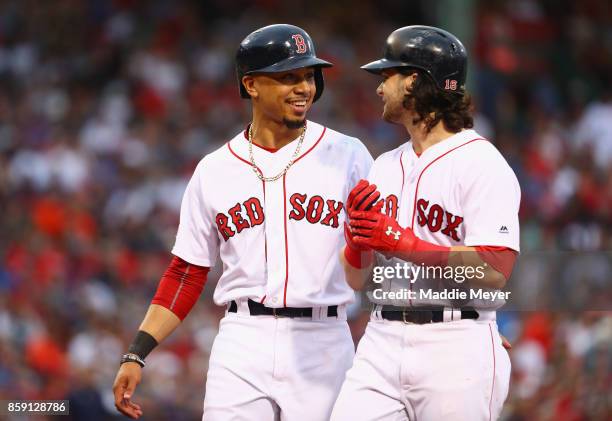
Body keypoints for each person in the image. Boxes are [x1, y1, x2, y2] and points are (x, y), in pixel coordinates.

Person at [111, 24, 373, 420]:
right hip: (243, 339)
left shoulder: (349, 155)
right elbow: (186, 272)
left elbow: (384, 252)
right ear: (251, 85)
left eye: (308, 76)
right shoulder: (214, 169)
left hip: (323, 339)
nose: (304, 88)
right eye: (288, 77)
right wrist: (137, 353)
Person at [330, 26, 520, 420]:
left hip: (456, 342)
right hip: (382, 339)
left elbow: (495, 267)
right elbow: (354, 279)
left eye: (388, 76)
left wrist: (404, 245)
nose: (380, 88)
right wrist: (358, 241)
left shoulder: (481, 162)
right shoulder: (384, 166)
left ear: (415, 80)